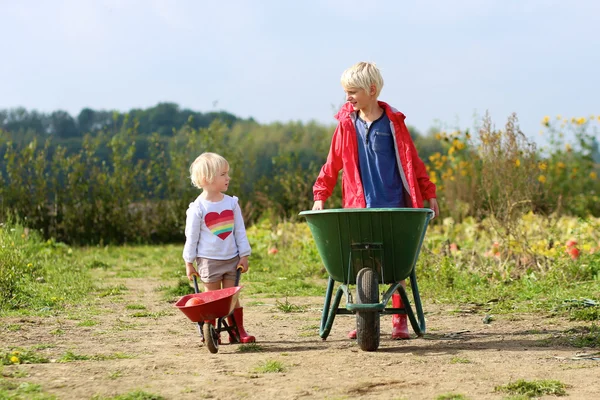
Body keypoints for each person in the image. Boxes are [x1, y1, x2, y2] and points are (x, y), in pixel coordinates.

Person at [312, 61, 439, 340]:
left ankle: (399, 322)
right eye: (346, 92)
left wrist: (428, 192)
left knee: (395, 265)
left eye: (353, 91)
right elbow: (331, 164)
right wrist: (320, 195)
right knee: (360, 261)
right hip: (358, 205)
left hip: (393, 204)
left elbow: (411, 161)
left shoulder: (393, 124)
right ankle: (363, 318)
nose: (348, 97)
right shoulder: (347, 125)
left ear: (371, 90)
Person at [182, 152, 255, 343]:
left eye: (227, 173)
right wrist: (189, 262)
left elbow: (240, 231)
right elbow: (192, 237)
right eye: (223, 174)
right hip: (208, 261)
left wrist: (244, 255)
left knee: (231, 299)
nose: (228, 178)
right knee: (212, 299)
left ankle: (237, 331)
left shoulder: (231, 203)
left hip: (231, 259)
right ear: (207, 179)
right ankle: (213, 333)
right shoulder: (198, 208)